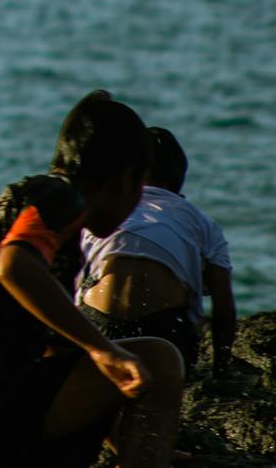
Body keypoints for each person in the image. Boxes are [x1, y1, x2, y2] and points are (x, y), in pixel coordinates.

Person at [0, 90, 184, 468]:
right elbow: (13, 266)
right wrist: (103, 349)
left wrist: (133, 440)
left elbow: (62, 358)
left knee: (152, 363)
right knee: (160, 360)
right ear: (125, 179)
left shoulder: (54, 225)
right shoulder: (60, 197)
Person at [78, 127, 236, 378]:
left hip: (99, 324)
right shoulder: (201, 221)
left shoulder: (104, 208)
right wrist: (221, 370)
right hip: (163, 331)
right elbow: (224, 307)